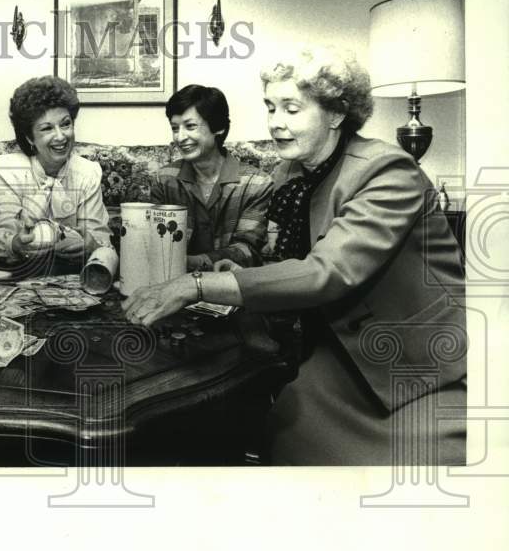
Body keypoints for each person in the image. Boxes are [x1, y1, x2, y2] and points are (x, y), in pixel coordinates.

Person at [123, 46, 466, 465]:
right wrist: (245, 267)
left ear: (336, 114)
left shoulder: (387, 170)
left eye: (291, 109)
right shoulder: (290, 174)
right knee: (278, 435)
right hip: (330, 348)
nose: (276, 124)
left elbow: (328, 271)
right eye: (270, 108)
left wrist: (196, 284)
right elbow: (288, 258)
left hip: (409, 360)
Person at [0, 75, 114, 271]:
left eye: (65, 124)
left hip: (72, 276)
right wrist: (16, 244)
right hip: (18, 274)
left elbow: (101, 241)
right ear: (29, 137)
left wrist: (87, 244)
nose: (61, 136)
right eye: (47, 128)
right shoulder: (6, 170)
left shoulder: (88, 172)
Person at [150, 84, 274, 270]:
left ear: (218, 127)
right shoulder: (164, 179)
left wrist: (191, 262)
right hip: (172, 278)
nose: (180, 137)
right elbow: (156, 242)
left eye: (190, 126)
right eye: (175, 128)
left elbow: (247, 250)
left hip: (230, 284)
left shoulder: (257, 184)